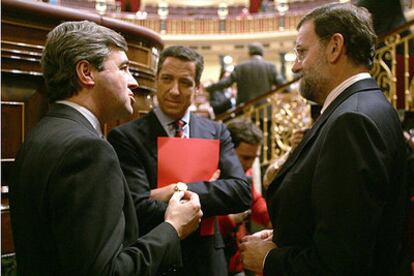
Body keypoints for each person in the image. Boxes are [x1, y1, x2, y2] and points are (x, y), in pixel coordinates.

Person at [9, 21, 203, 275]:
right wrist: (173, 228)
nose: (133, 82)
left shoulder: (40, 133)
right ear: (86, 73)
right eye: (123, 68)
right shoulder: (88, 149)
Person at [239, 3, 409, 275]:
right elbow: (346, 221)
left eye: (302, 52)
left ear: (334, 47)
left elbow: (341, 263)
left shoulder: (351, 121)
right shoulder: (363, 105)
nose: (295, 66)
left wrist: (270, 260)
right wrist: (283, 238)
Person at [107, 45, 251, 276]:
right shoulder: (126, 137)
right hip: (156, 259)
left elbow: (241, 192)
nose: (174, 90)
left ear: (197, 87)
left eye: (185, 82)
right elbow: (137, 207)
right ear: (156, 81)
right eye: (167, 79)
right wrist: (211, 188)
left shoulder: (216, 131)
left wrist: (173, 190)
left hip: (208, 261)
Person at [218, 119, 271, 276]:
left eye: (254, 158)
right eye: (246, 158)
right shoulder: (210, 172)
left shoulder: (244, 173)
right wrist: (231, 220)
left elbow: (255, 201)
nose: (250, 164)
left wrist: (272, 218)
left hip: (236, 261)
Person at [205, 43, 285, 106]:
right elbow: (282, 84)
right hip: (264, 110)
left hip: (244, 109)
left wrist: (208, 88)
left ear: (249, 53)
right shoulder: (270, 67)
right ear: (262, 53)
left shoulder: (240, 67)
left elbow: (226, 83)